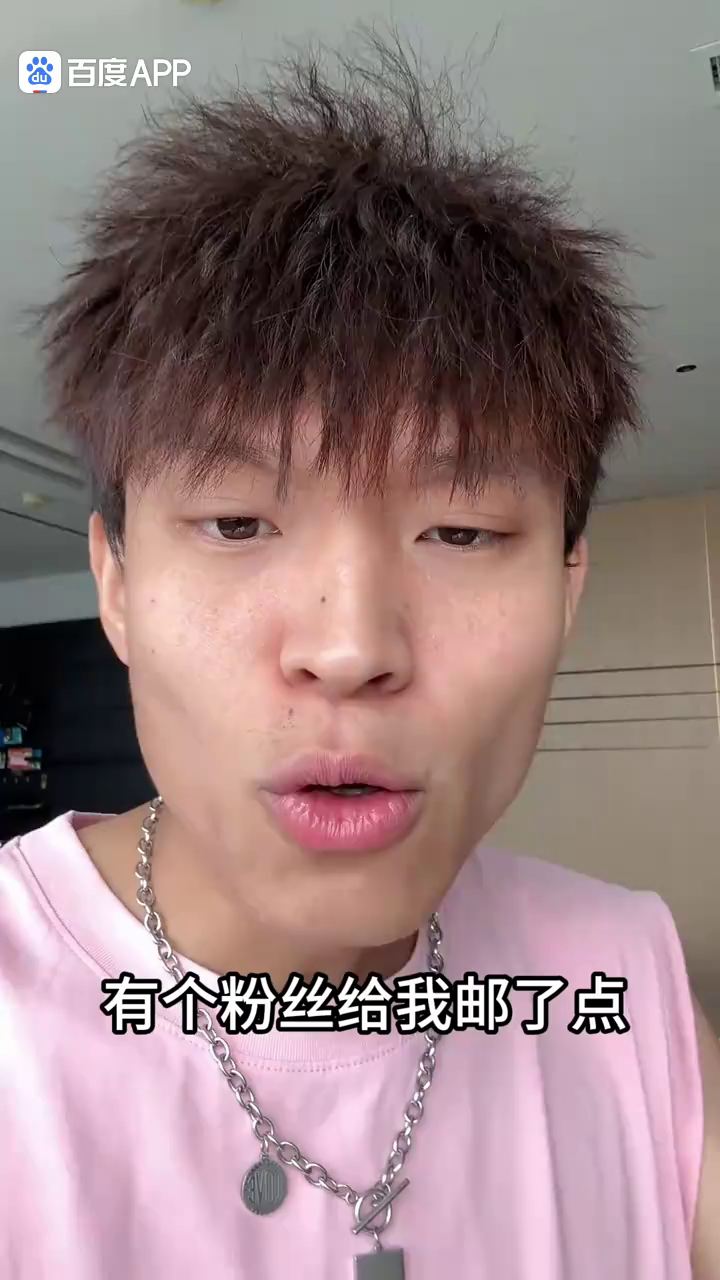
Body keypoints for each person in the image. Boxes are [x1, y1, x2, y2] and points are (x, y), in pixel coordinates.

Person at [0, 39, 718, 1280]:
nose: (349, 649)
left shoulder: (619, 973)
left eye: (461, 531)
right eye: (237, 523)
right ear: (115, 582)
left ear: (566, 586)